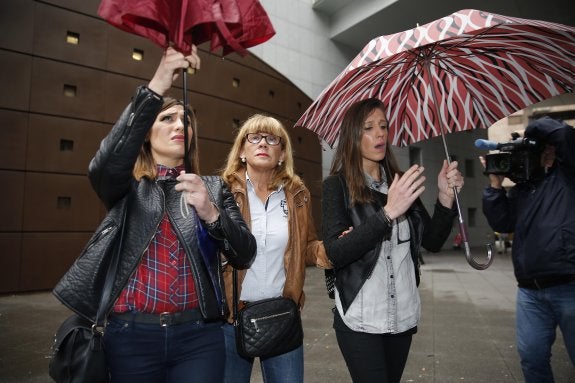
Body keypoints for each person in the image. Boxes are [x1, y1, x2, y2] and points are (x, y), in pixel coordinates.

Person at [56, 46, 257, 382]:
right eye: (167, 118)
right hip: (131, 337)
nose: (180, 125)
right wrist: (159, 84)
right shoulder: (126, 188)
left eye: (186, 121)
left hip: (199, 337)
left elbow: (245, 253)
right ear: (145, 135)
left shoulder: (212, 187)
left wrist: (211, 213)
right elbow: (103, 165)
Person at [321, 98, 464, 383]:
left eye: (384, 126)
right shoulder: (336, 186)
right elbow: (336, 252)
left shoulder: (399, 183)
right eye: (369, 128)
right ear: (352, 136)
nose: (380, 134)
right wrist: (387, 214)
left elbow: (433, 241)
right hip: (361, 317)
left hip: (402, 315)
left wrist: (446, 198)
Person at [220, 114, 330, 383]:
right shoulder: (221, 192)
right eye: (254, 137)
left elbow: (307, 246)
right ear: (242, 151)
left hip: (282, 313)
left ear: (282, 154)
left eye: (272, 139)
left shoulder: (296, 194)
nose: (263, 144)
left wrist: (337, 249)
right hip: (231, 317)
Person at [480, 116, 575, 383]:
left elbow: (566, 136)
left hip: (569, 285)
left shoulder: (567, 175)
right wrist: (495, 187)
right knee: (532, 359)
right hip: (530, 292)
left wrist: (530, 132)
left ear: (550, 152)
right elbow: (502, 222)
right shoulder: (522, 190)